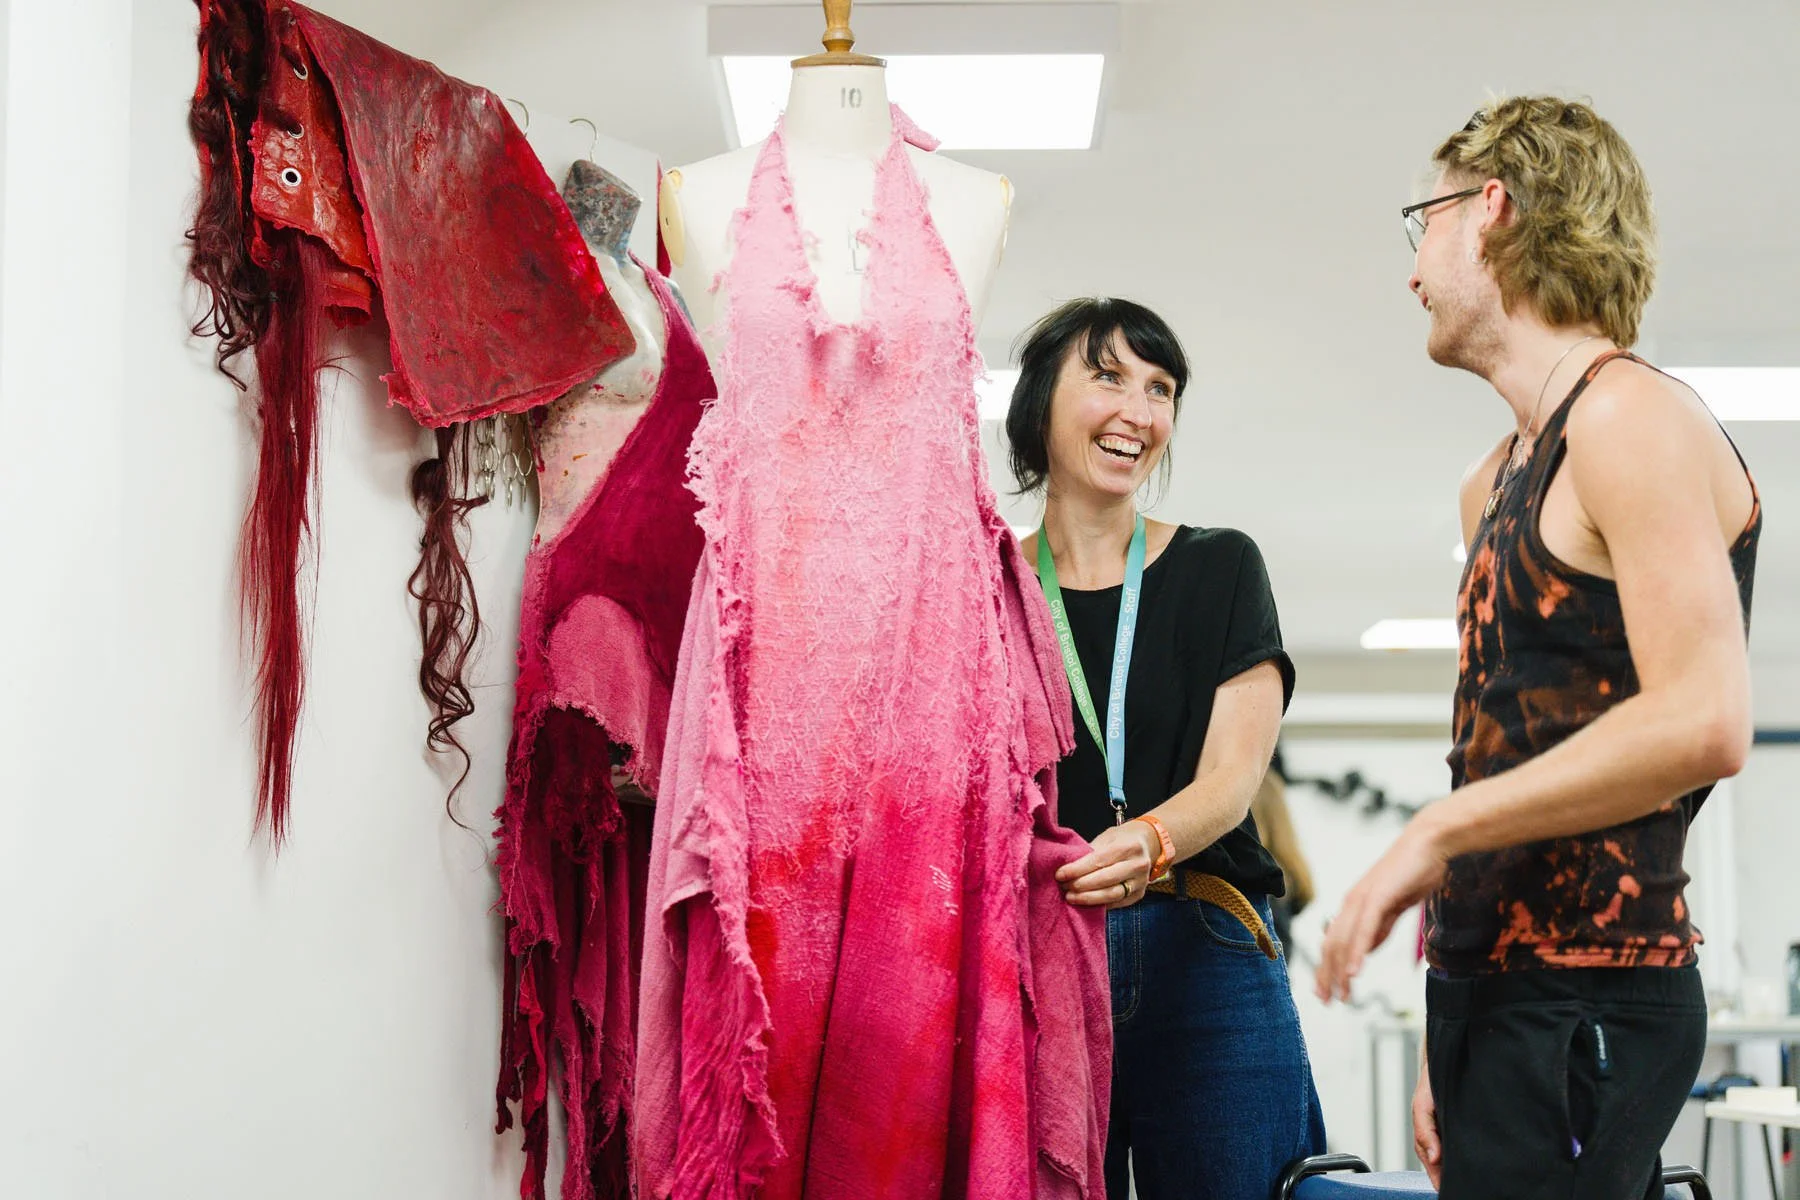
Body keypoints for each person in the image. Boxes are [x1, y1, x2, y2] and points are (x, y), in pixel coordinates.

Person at [1316, 97, 1761, 1200]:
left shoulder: (1631, 418)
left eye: (1423, 220)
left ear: (1492, 208)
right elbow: (1497, 757)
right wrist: (1444, 1006)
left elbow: (1705, 718)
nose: (1413, 265)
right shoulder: (1498, 476)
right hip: (1494, 989)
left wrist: (1435, 833)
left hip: (1593, 989)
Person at [1011, 298, 1327, 1200]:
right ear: (1039, 404)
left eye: (1161, 389)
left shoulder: (1221, 567)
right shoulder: (990, 585)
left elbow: (1234, 775)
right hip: (1044, 957)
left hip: (1204, 941)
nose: (1139, 411)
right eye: (1106, 375)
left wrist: (1147, 840)